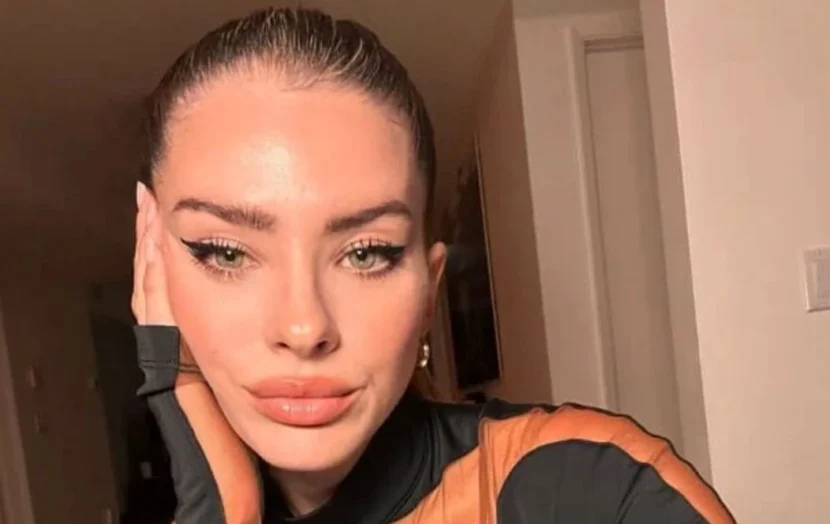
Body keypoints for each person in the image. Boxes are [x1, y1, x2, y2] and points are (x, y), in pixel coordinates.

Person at [131, 7, 734, 523]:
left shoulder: (589, 486)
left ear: (429, 289)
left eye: (366, 253)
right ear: (153, 273)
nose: (304, 327)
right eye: (227, 253)